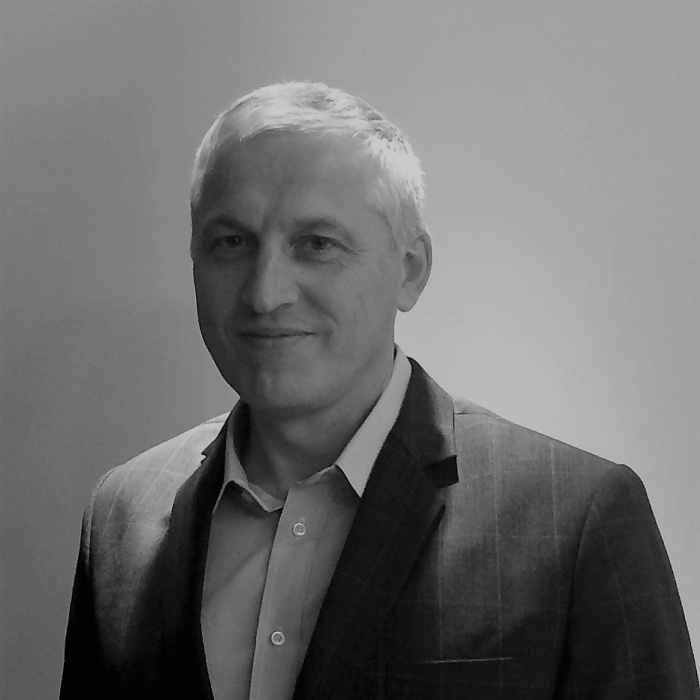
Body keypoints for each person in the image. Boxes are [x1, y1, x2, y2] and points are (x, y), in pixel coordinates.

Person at [60, 81, 699, 700]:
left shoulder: (574, 520)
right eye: (232, 242)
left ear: (410, 270)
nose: (265, 292)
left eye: (317, 244)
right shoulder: (122, 512)